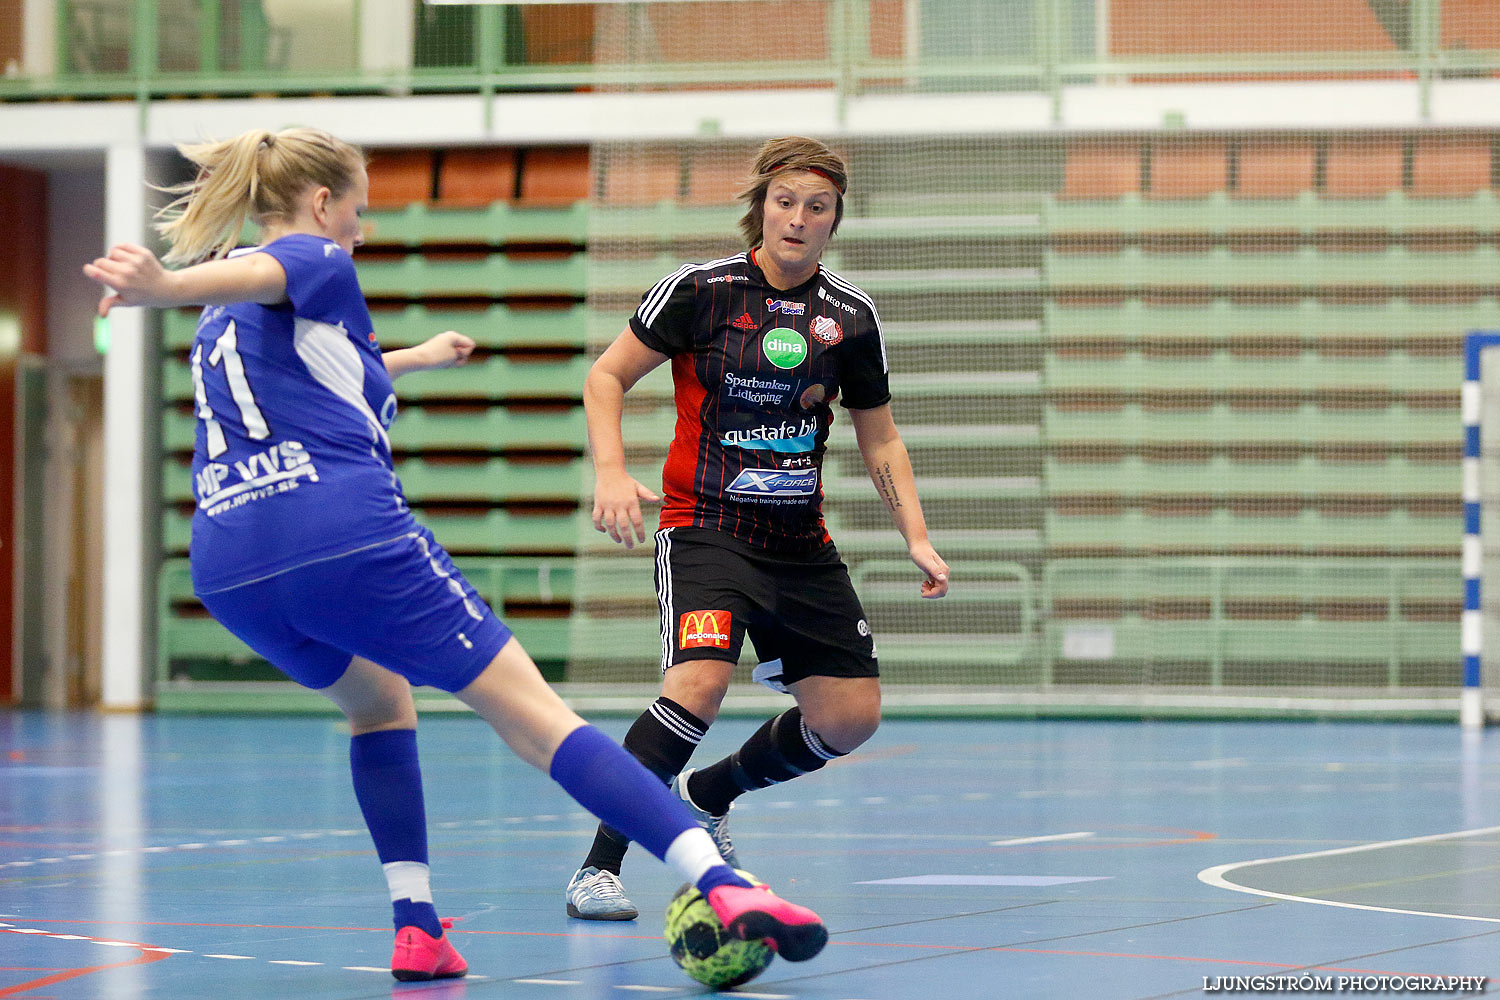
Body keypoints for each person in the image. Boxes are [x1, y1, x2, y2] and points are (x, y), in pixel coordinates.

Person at [83, 126, 829, 981]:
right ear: (323, 203)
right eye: (357, 209)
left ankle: (417, 927)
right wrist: (163, 284)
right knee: (535, 716)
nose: (360, 229)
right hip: (338, 532)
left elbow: (338, 369)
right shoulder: (306, 259)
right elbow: (281, 265)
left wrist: (421, 358)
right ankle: (720, 880)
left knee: (378, 704)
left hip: (228, 563)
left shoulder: (229, 324)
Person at [564, 136, 950, 921]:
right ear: (762, 207)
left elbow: (880, 434)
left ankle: (710, 793)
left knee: (849, 717)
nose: (798, 219)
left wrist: (915, 534)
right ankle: (599, 869)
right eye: (785, 203)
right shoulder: (698, 291)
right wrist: (610, 472)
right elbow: (605, 376)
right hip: (706, 528)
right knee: (698, 684)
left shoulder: (849, 316)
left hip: (798, 544)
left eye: (817, 208)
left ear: (836, 220)